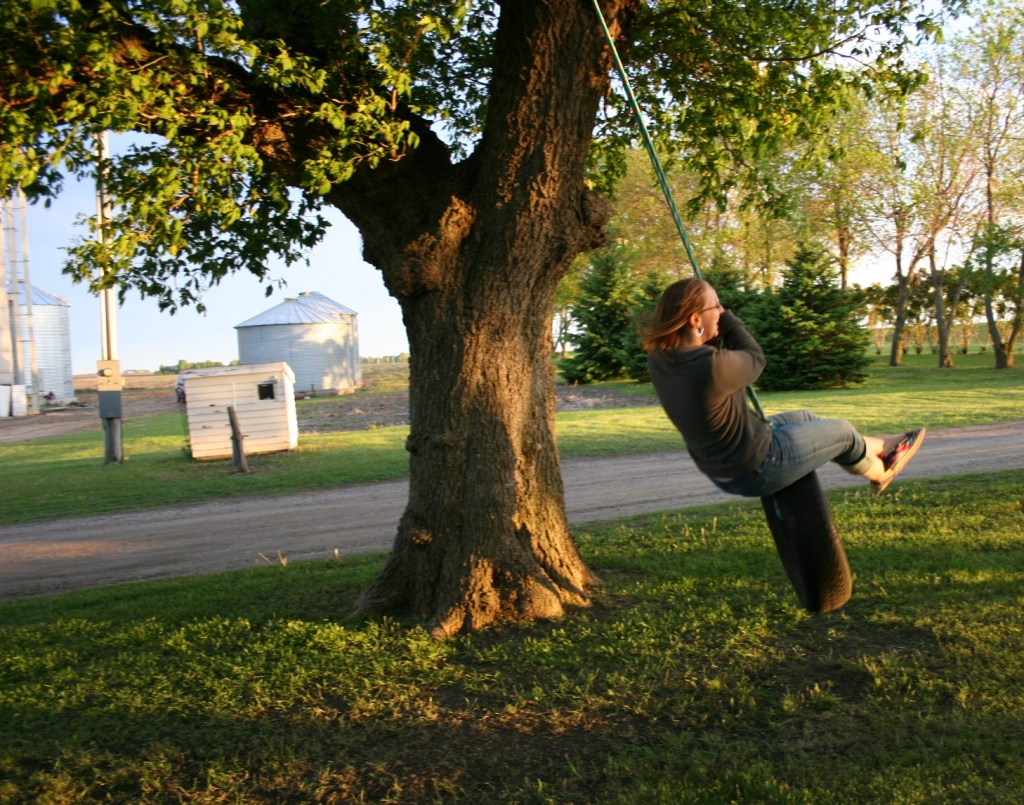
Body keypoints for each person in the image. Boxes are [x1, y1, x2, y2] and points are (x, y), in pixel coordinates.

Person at [643, 278, 925, 498]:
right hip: (758, 465)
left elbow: (708, 355)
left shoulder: (661, 360)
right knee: (843, 432)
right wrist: (730, 322)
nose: (720, 311)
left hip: (723, 468)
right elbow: (755, 359)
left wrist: (715, 324)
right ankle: (882, 471)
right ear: (695, 319)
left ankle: (884, 446)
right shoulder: (709, 367)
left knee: (804, 417)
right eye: (715, 306)